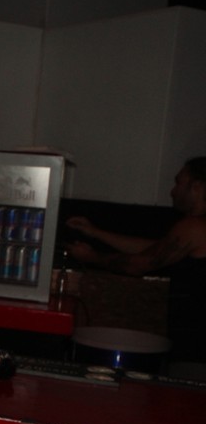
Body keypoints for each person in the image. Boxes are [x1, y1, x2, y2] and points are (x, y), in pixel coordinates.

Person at [66, 157, 206, 369]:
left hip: (197, 352)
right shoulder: (195, 229)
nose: (173, 191)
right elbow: (153, 249)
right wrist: (95, 233)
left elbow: (139, 264)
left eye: (179, 183)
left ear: (197, 186)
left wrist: (91, 257)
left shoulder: (194, 227)